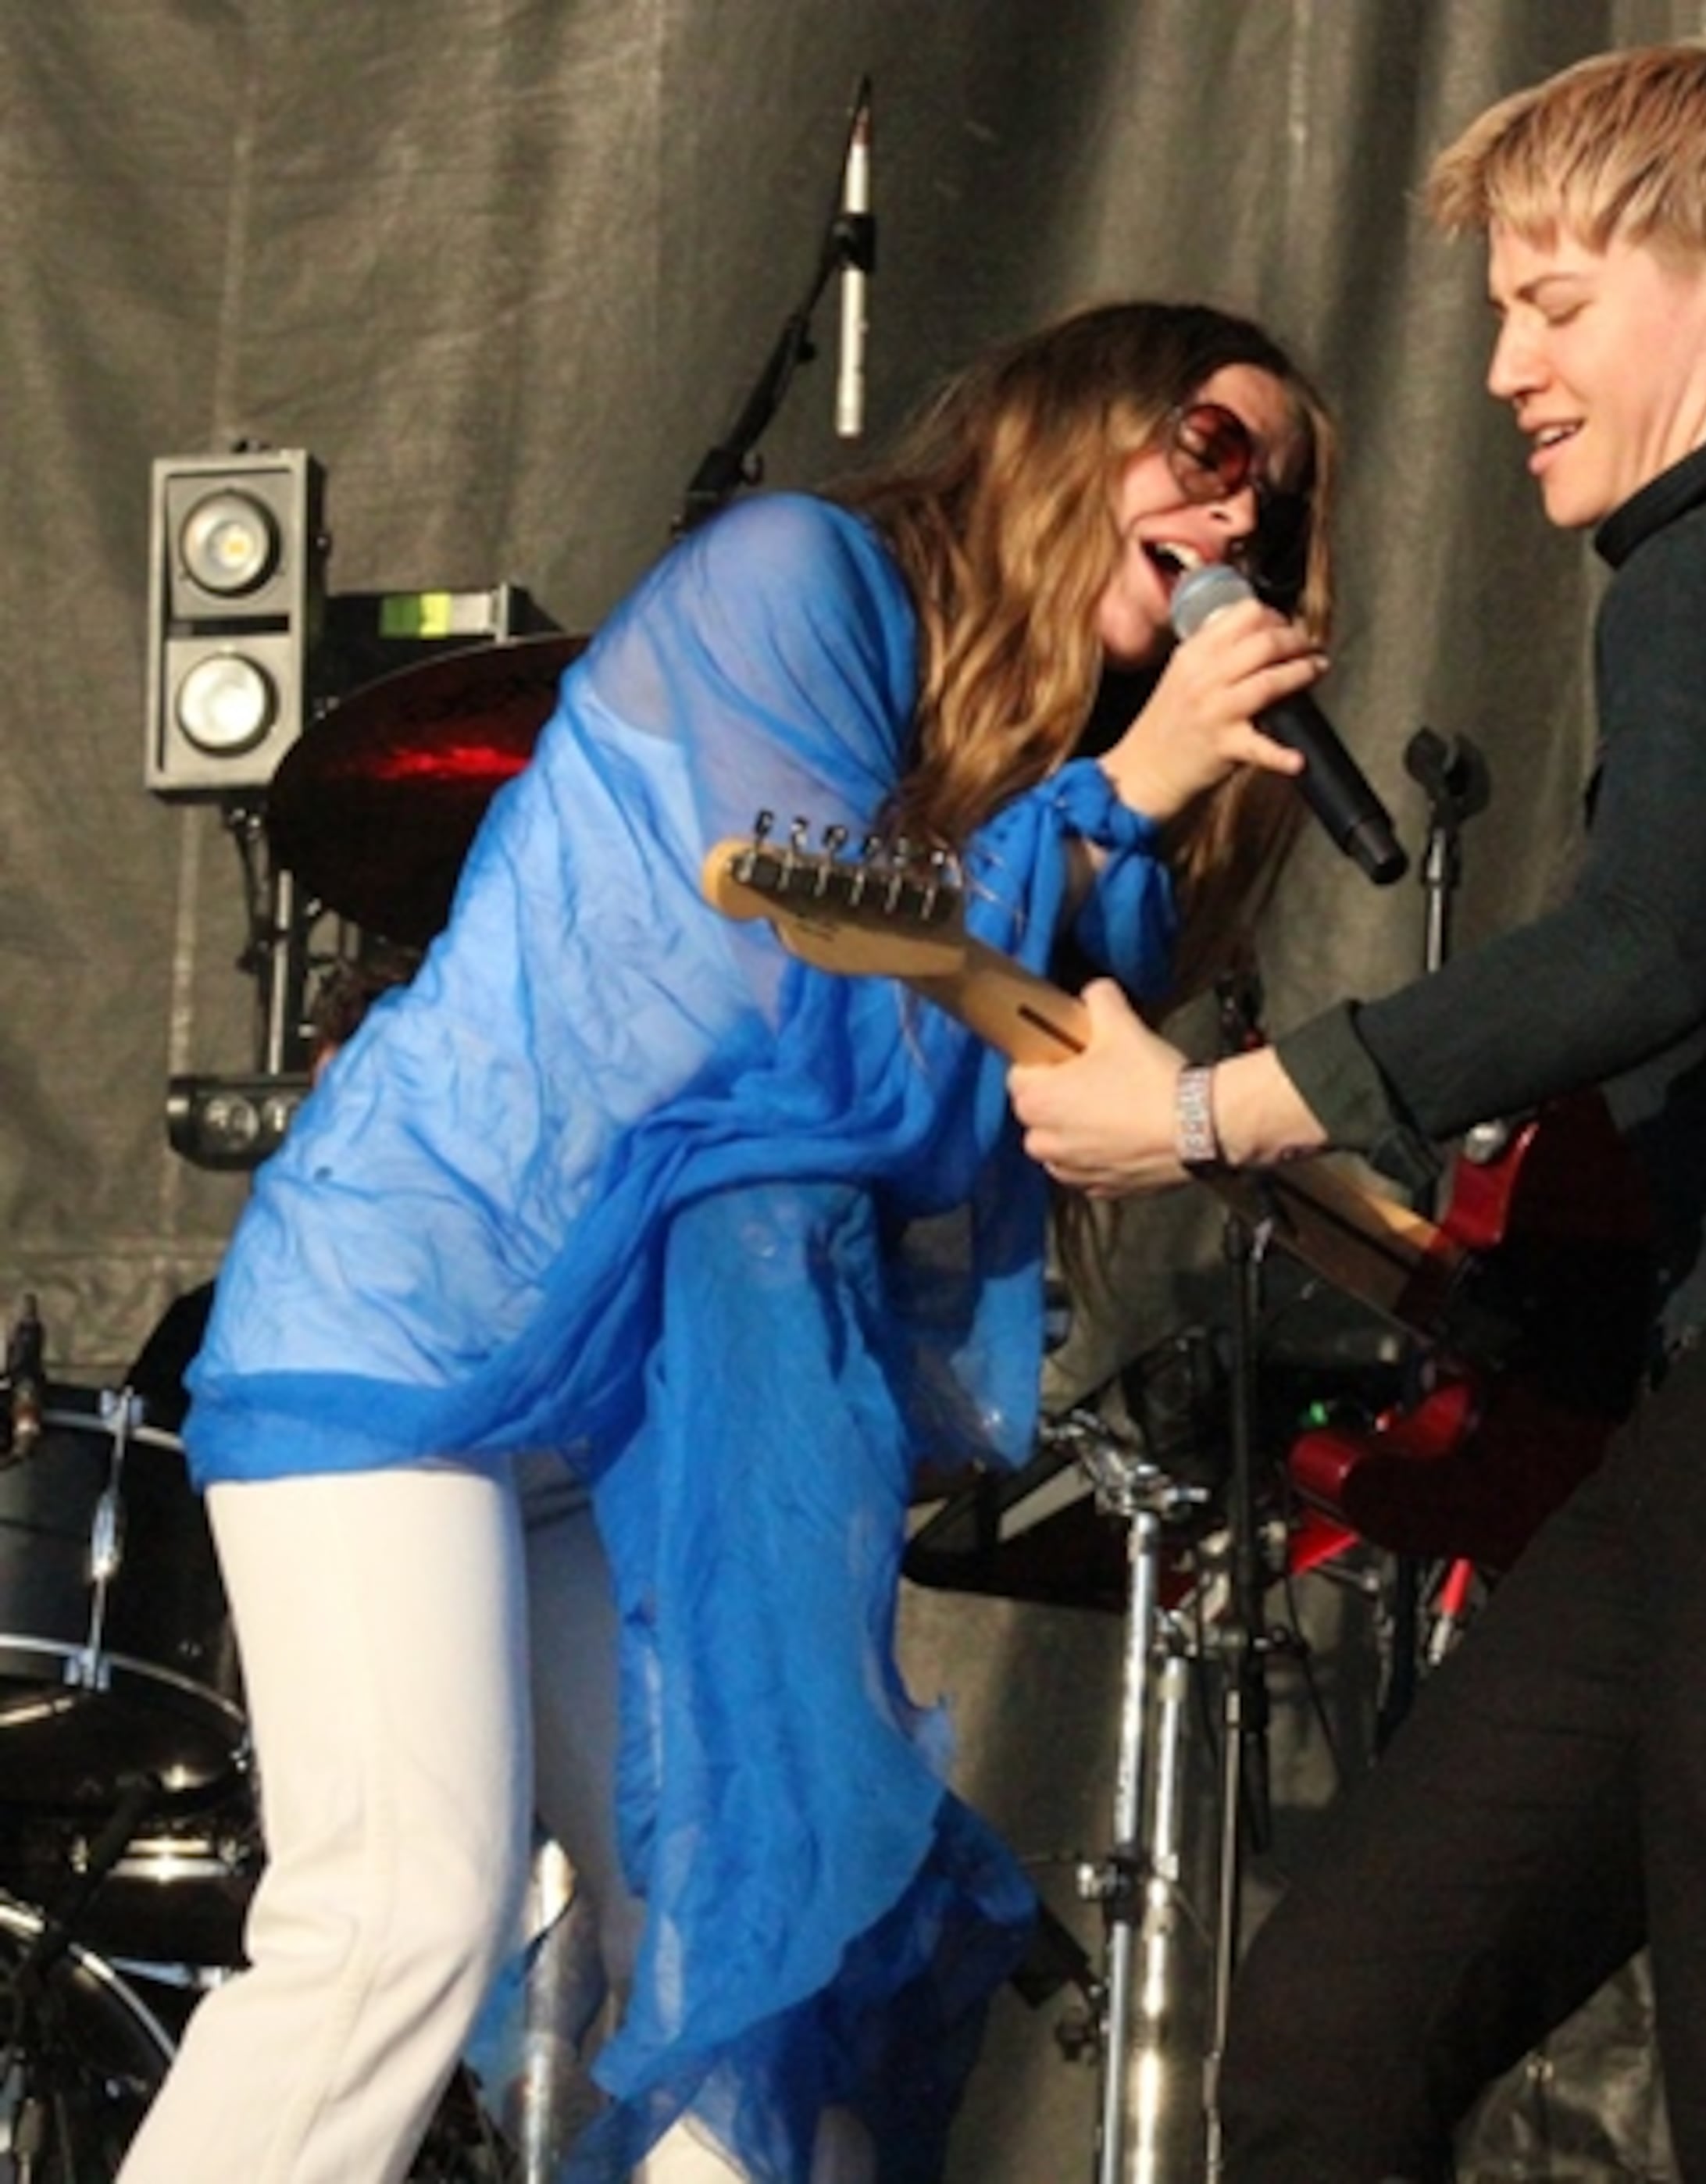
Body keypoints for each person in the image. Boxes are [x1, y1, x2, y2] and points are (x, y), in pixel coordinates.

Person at [1012, 43, 1706, 2180]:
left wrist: (1221, 1107)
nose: (1505, 364)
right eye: (1502, 306)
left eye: (1558, 301)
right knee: (1331, 2037)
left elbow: (1637, 953)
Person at [124, 298, 1336, 2184]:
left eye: (1277, 504)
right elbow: (789, 1009)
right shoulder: (798, 578)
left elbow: (960, 1119)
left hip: (620, 1416)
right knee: (399, 1921)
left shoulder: (1041, 813)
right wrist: (1125, 799)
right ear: (1068, 426)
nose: (1237, 524)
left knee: (752, 1985)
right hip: (410, 1328)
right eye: (1209, 450)